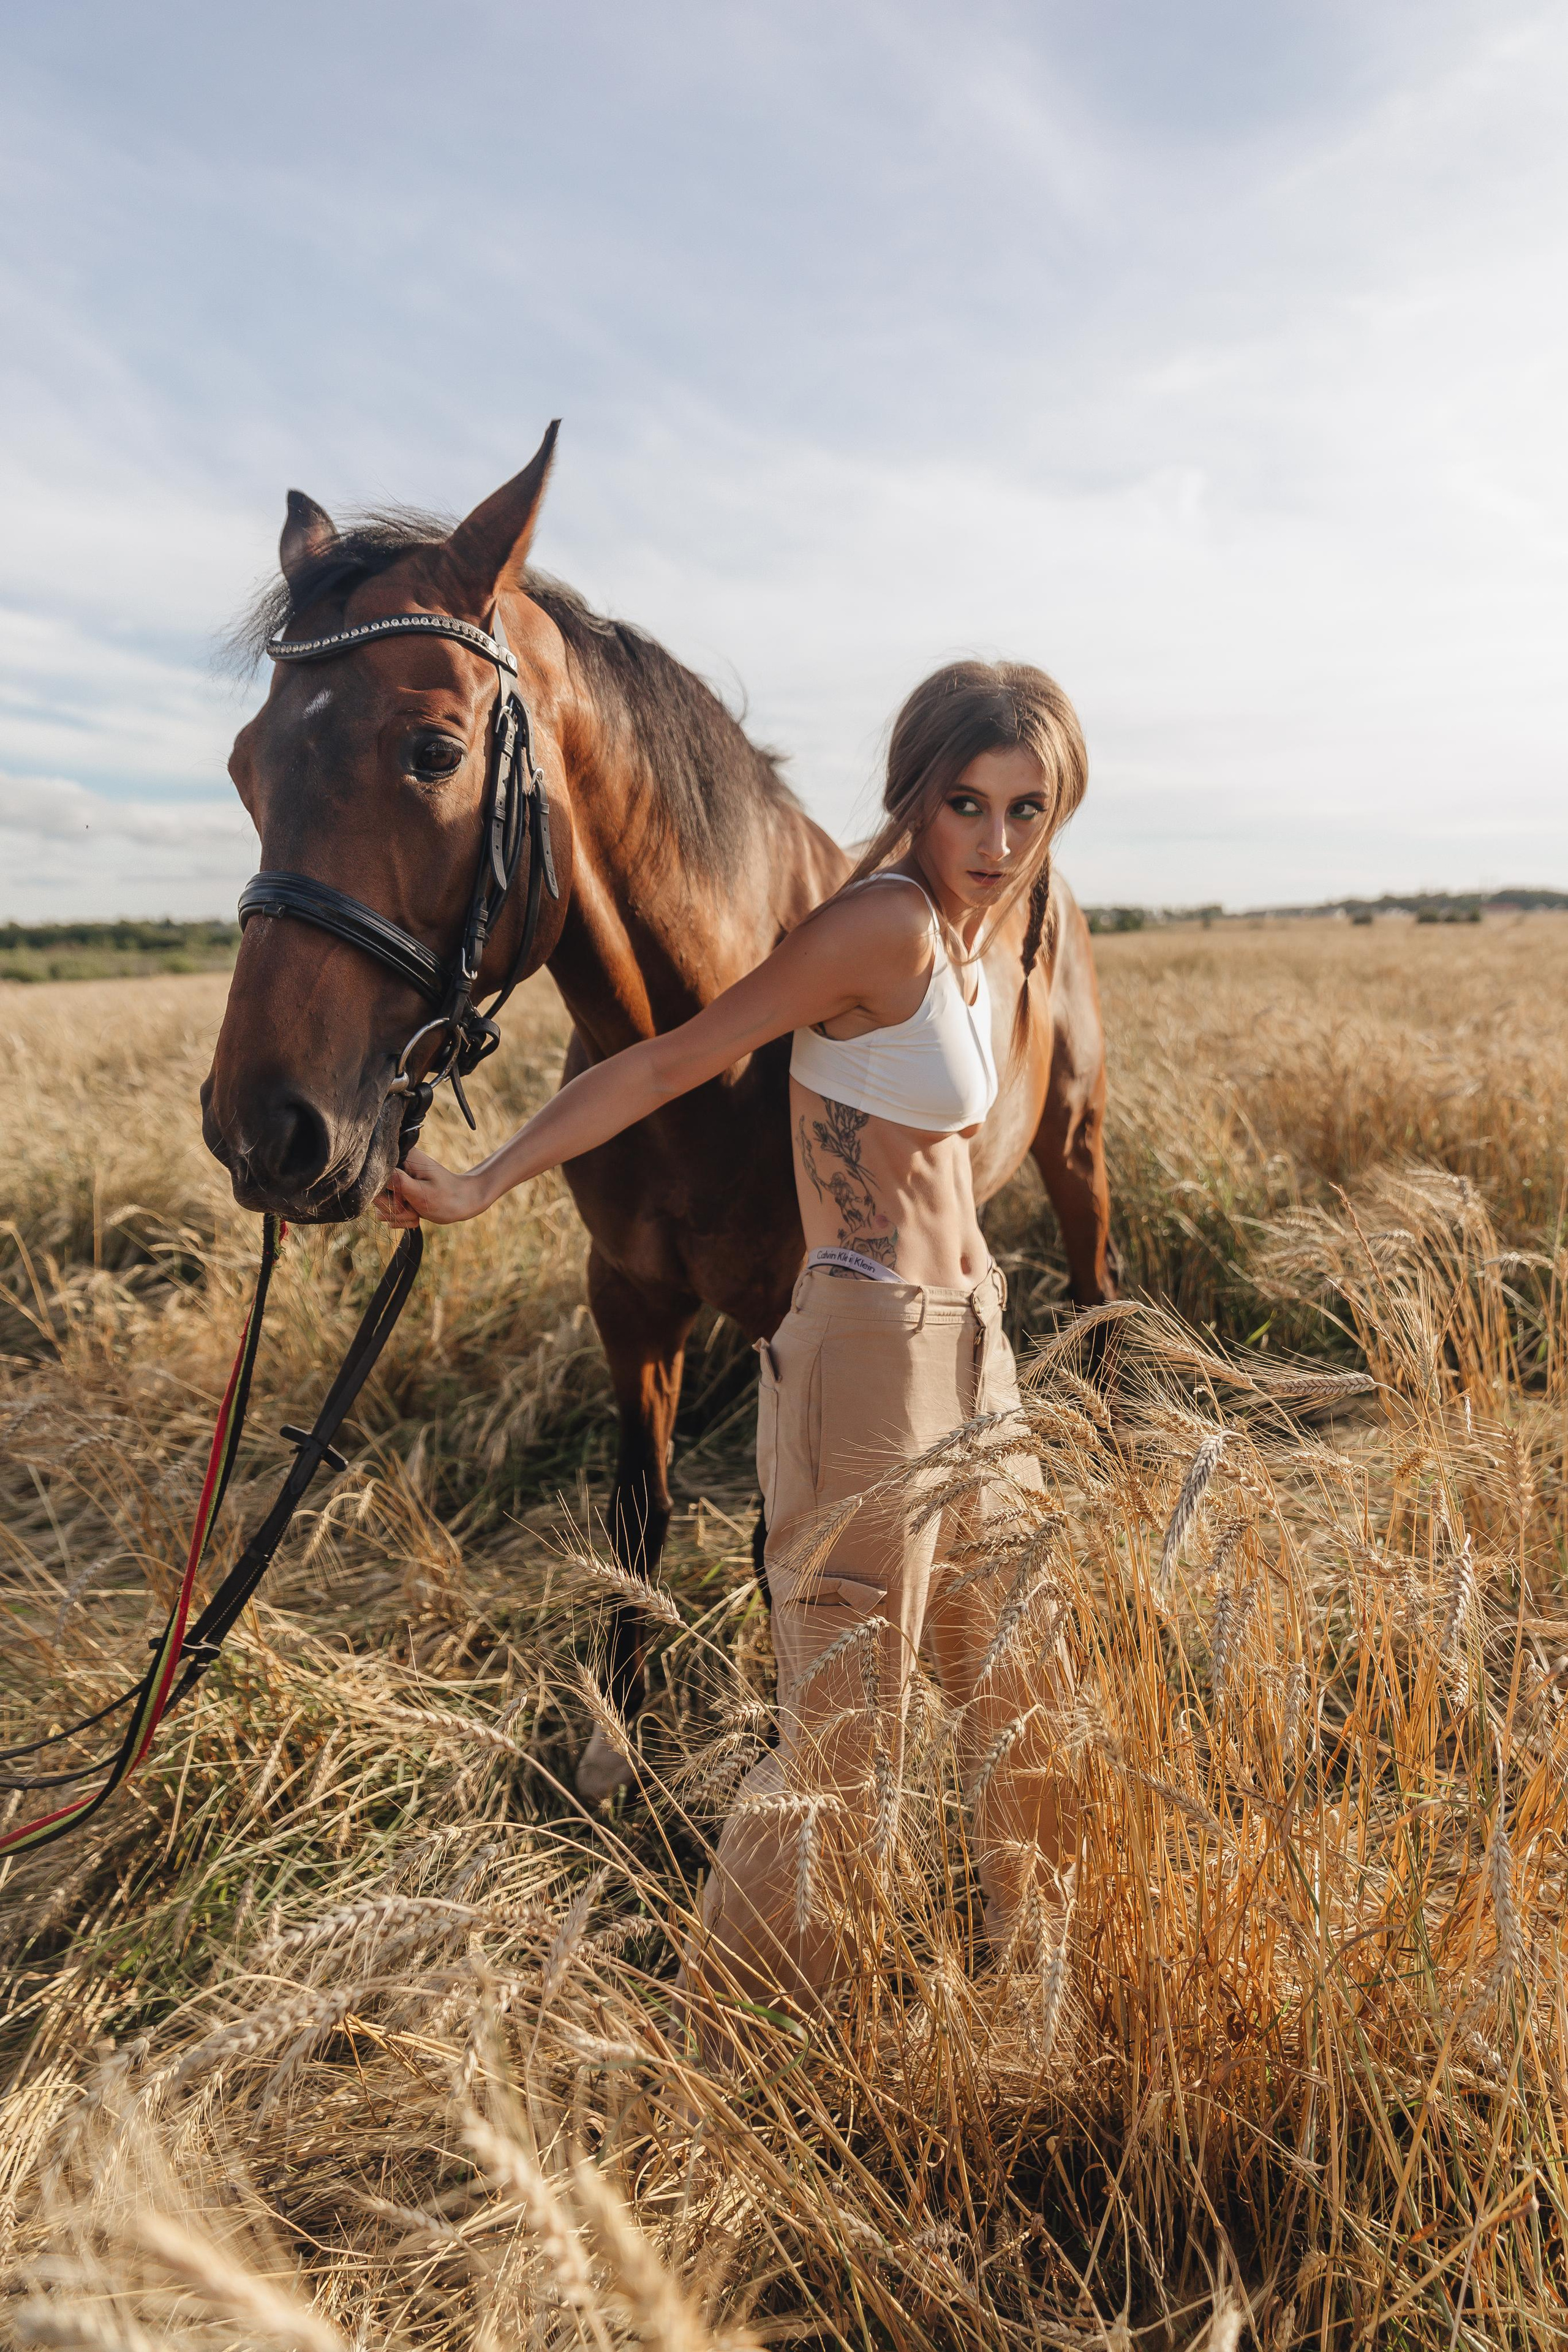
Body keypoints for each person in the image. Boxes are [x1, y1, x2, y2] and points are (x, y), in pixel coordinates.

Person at [374, 658, 1086, 2041]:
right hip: (868, 1350)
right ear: (915, 795)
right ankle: (749, 2043)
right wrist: (483, 1180)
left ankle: (1041, 1984)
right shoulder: (882, 924)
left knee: (1026, 1671)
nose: (997, 841)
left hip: (977, 1344)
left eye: (1027, 809)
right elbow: (666, 1062)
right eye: (967, 803)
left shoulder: (976, 931)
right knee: (849, 1730)